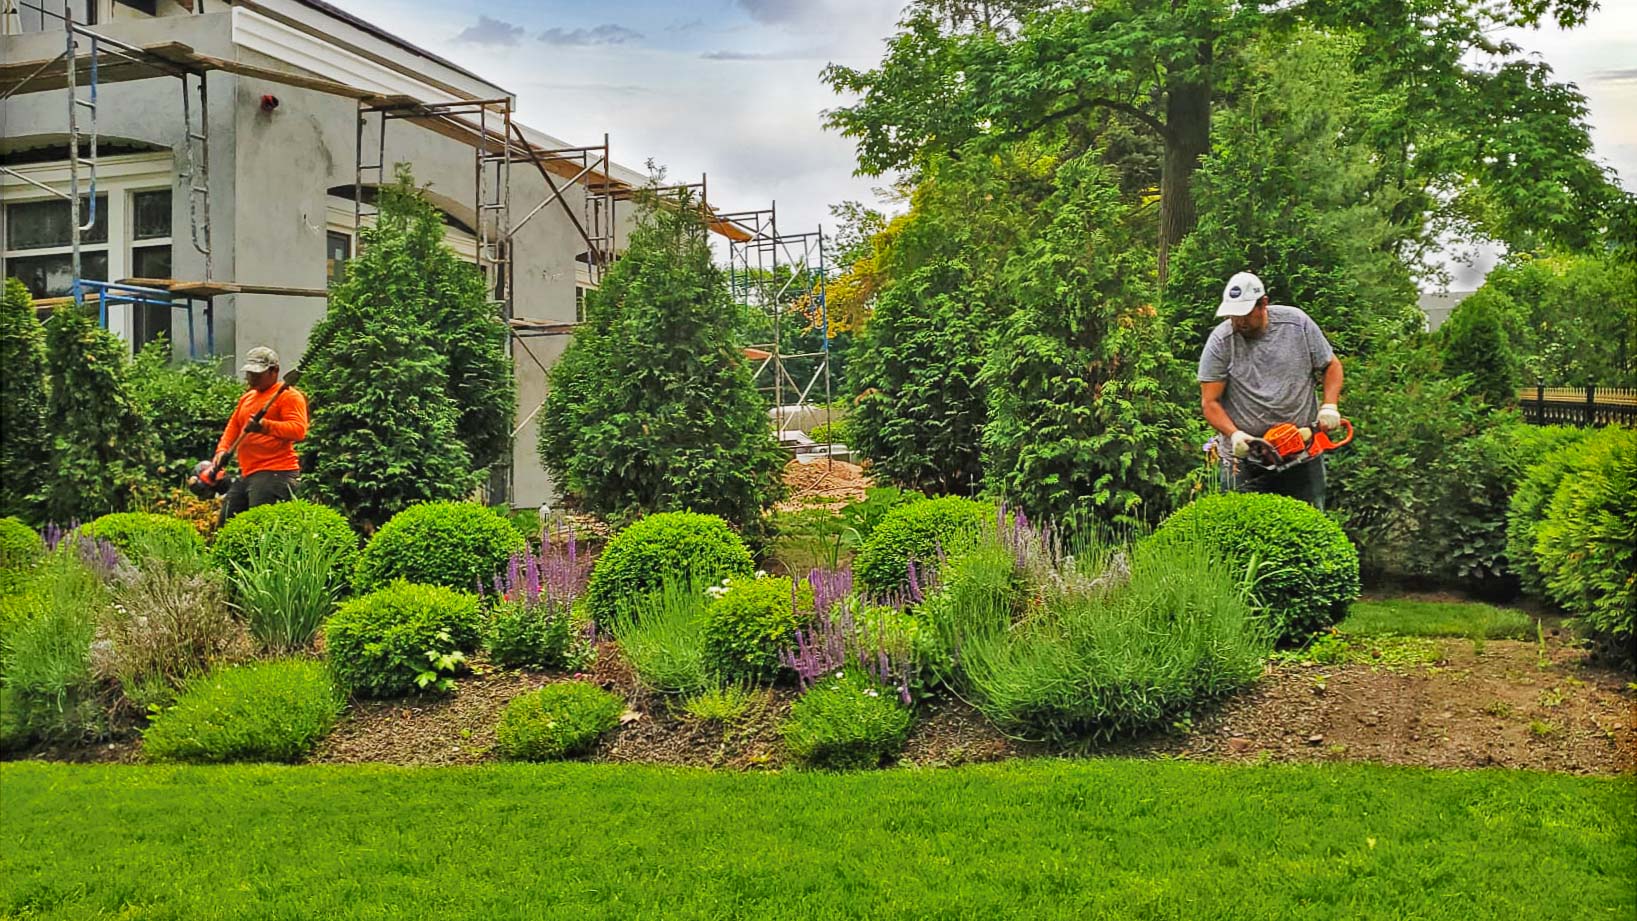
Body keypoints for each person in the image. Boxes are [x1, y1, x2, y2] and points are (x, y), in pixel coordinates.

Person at [1197, 271, 1344, 509]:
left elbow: (1331, 365)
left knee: (1307, 523)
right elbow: (1209, 402)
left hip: (1302, 453)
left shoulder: (1296, 324)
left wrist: (1330, 405)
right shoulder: (1221, 342)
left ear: (1263, 303)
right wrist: (1234, 434)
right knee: (1239, 525)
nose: (1239, 321)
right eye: (1233, 315)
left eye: (1245, 313)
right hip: (1245, 460)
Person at [211, 346, 308, 525]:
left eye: (257, 374)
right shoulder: (247, 398)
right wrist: (222, 450)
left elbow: (298, 430)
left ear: (274, 371)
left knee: (260, 527)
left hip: (275, 472)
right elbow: (234, 426)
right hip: (248, 472)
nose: (252, 378)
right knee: (226, 524)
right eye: (250, 373)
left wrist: (265, 427)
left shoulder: (289, 396)